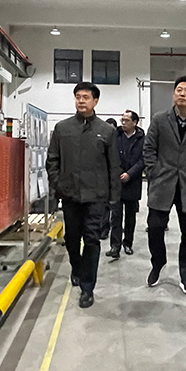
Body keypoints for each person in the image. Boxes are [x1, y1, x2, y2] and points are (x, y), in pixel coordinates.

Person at [46, 82, 121, 309]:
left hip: (96, 197)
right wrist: (59, 184)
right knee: (71, 239)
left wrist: (113, 197)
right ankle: (76, 268)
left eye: (86, 97)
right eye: (78, 96)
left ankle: (88, 288)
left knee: (91, 240)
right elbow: (52, 160)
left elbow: (113, 166)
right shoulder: (62, 128)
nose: (81, 100)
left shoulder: (106, 131)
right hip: (70, 195)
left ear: (95, 101)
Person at [143, 75, 186, 295]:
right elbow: (149, 149)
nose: (182, 94)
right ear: (173, 94)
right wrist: (154, 172)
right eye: (179, 90)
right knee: (155, 228)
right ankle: (157, 263)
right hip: (163, 182)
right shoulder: (159, 119)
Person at [105, 110, 145, 258]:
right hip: (117, 181)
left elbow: (143, 159)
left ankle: (128, 243)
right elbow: (110, 155)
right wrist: (118, 172)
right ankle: (115, 247)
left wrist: (130, 174)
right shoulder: (115, 135)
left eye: (126, 120)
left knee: (130, 216)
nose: (123, 123)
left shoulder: (141, 138)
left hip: (133, 181)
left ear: (135, 122)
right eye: (122, 119)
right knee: (115, 216)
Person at [100, 118, 119, 240]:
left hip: (117, 177)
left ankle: (115, 232)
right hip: (104, 178)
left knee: (116, 210)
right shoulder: (102, 139)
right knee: (104, 207)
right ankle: (104, 229)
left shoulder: (118, 140)